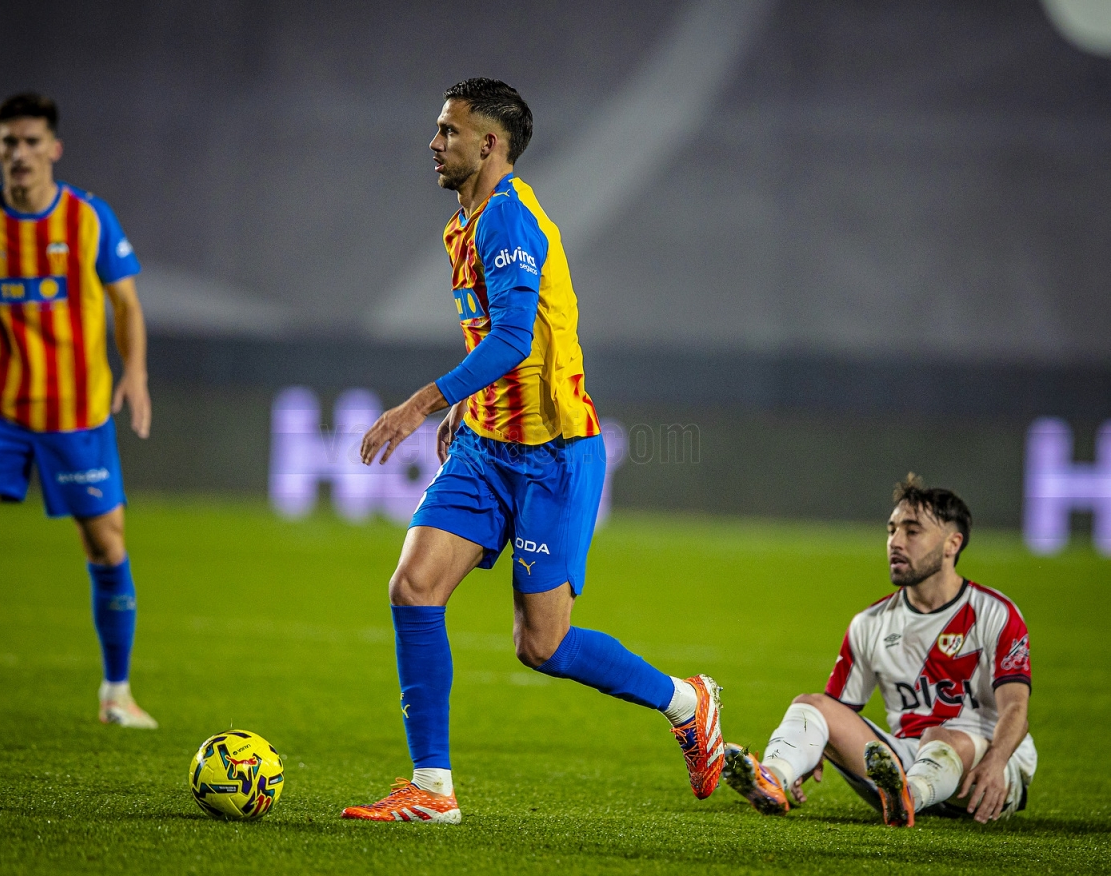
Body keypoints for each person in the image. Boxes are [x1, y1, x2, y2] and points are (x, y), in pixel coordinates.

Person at [340, 78, 724, 823]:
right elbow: (500, 340)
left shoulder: (508, 221)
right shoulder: (466, 222)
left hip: (553, 458)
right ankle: (432, 790)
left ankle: (686, 700)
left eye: (449, 131)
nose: (434, 142)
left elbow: (516, 339)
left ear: (490, 144)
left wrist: (424, 404)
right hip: (487, 448)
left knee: (541, 646)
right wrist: (471, 409)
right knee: (413, 588)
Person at [0, 93, 157, 728]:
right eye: (8, 142)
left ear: (54, 149)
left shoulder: (88, 218)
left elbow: (126, 303)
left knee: (107, 549)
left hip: (77, 417)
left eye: (30, 141)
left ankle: (116, 694)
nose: (19, 153)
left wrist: (135, 373)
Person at [722, 475, 1035, 826]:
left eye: (912, 531)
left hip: (988, 769)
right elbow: (837, 712)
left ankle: (908, 795)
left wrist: (996, 762)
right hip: (903, 758)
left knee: (940, 735)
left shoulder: (994, 612)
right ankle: (773, 778)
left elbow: (1016, 709)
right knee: (810, 706)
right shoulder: (870, 623)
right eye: (891, 530)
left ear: (952, 544)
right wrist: (810, 749)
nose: (895, 542)